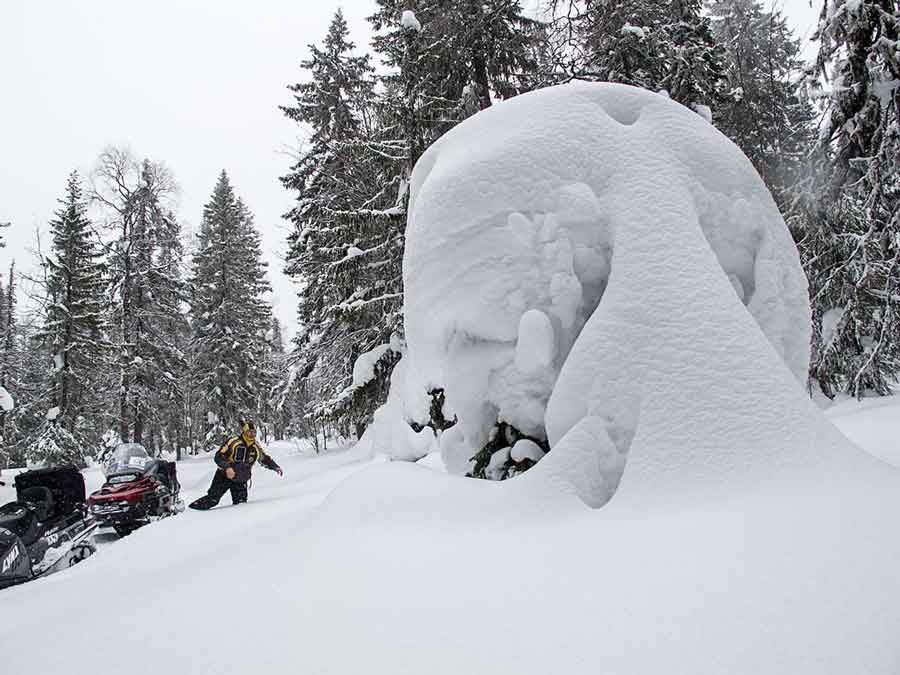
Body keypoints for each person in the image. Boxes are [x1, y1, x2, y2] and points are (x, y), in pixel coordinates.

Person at [188, 420, 283, 510]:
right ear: (244, 432)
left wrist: (275, 467)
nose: (252, 434)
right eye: (249, 432)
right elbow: (219, 456)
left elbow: (264, 459)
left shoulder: (255, 447)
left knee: (241, 506)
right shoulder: (234, 442)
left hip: (240, 480)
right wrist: (227, 468)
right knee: (212, 500)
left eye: (254, 432)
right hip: (224, 476)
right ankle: (191, 510)